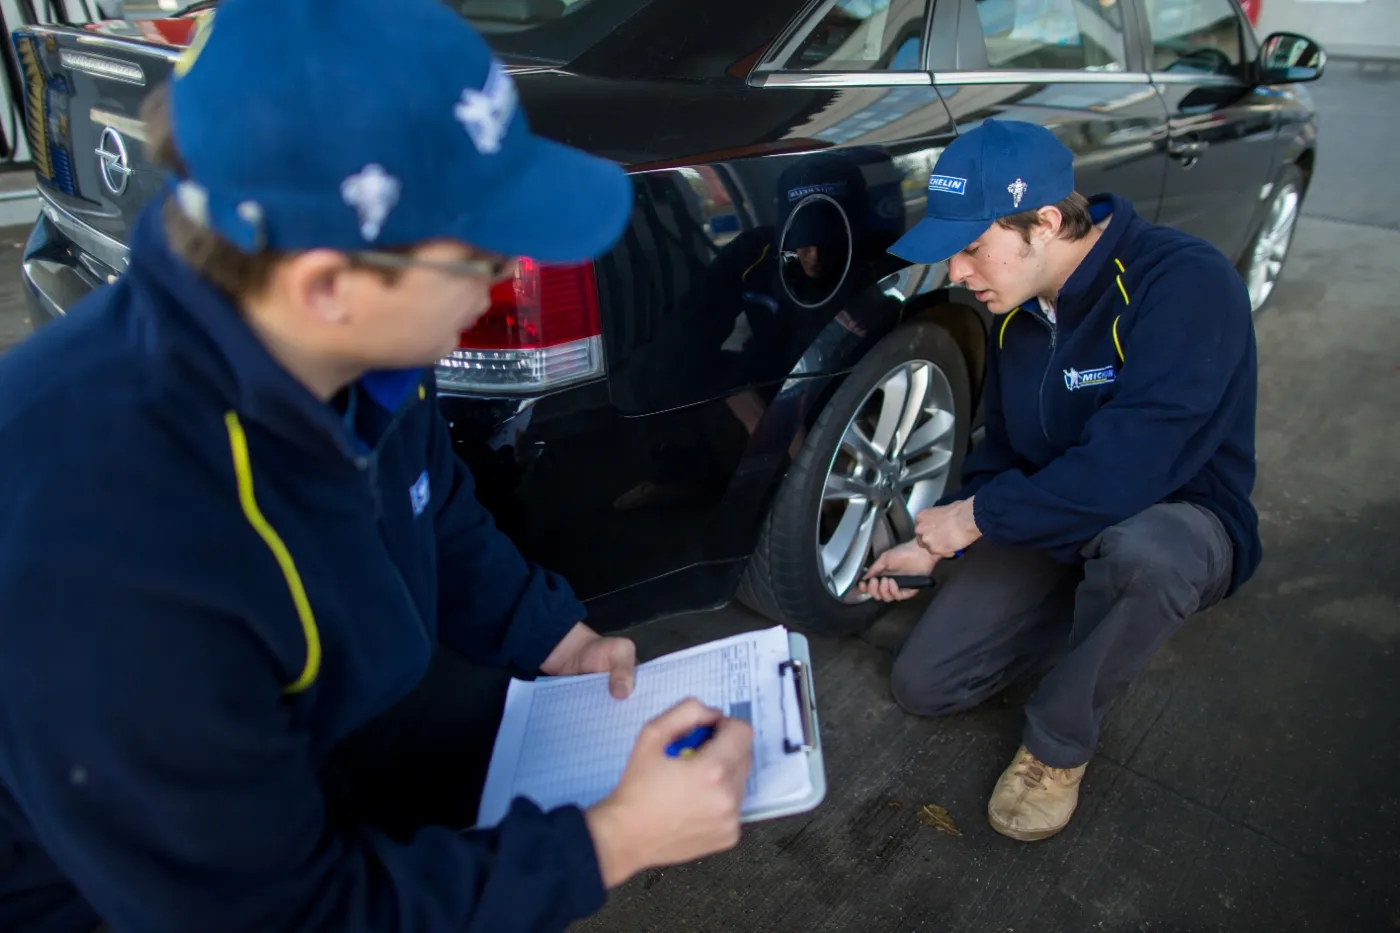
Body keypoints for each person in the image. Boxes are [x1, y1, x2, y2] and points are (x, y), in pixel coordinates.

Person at [0, 1, 753, 931]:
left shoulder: (343, 351)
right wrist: (612, 841)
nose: (498, 275)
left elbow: (433, 502)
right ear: (327, 285)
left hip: (322, 745)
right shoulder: (110, 553)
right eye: (478, 252)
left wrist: (552, 637)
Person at [860, 119, 1260, 842]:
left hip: (1175, 513)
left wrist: (974, 522)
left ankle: (1058, 743)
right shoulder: (1014, 315)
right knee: (924, 683)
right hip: (1054, 511)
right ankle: (1095, 618)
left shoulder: (1186, 282)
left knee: (1144, 558)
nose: (958, 273)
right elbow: (1002, 456)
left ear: (1045, 223)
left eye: (973, 248)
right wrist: (935, 542)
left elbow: (1131, 467)